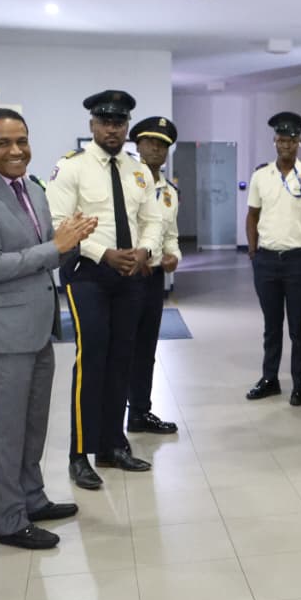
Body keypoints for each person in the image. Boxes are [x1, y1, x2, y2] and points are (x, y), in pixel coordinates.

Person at [0, 108, 94, 550]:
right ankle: (11, 520)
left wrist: (68, 238)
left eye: (23, 141)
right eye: (4, 143)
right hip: (2, 332)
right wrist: (56, 247)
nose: (16, 151)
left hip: (36, 327)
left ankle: (32, 498)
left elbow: (45, 246)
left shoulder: (32, 188)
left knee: (33, 425)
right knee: (8, 431)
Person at [46, 90, 162, 490]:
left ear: (127, 126)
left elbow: (153, 220)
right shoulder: (71, 168)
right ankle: (80, 453)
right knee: (92, 358)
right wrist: (104, 253)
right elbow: (59, 223)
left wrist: (144, 251)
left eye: (120, 122)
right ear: (92, 125)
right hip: (88, 274)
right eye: (106, 121)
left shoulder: (139, 171)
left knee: (122, 359)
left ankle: (113, 445)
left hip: (130, 275)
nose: (113, 128)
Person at [245, 112, 301, 406]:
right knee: (271, 325)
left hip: (297, 261)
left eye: (291, 140)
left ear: (299, 142)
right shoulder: (261, 175)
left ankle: (298, 384)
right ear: (274, 141)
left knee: (298, 326)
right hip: (266, 261)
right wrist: (253, 251)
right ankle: (269, 379)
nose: (286, 145)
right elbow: (252, 215)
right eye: (281, 140)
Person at [126, 116, 181, 435]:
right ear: (138, 145)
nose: (156, 149)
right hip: (127, 274)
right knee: (124, 347)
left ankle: (140, 413)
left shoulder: (169, 191)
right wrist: (139, 254)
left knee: (146, 348)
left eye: (162, 144)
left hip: (154, 277)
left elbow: (170, 233)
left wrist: (174, 255)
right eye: (150, 142)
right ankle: (113, 416)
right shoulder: (127, 181)